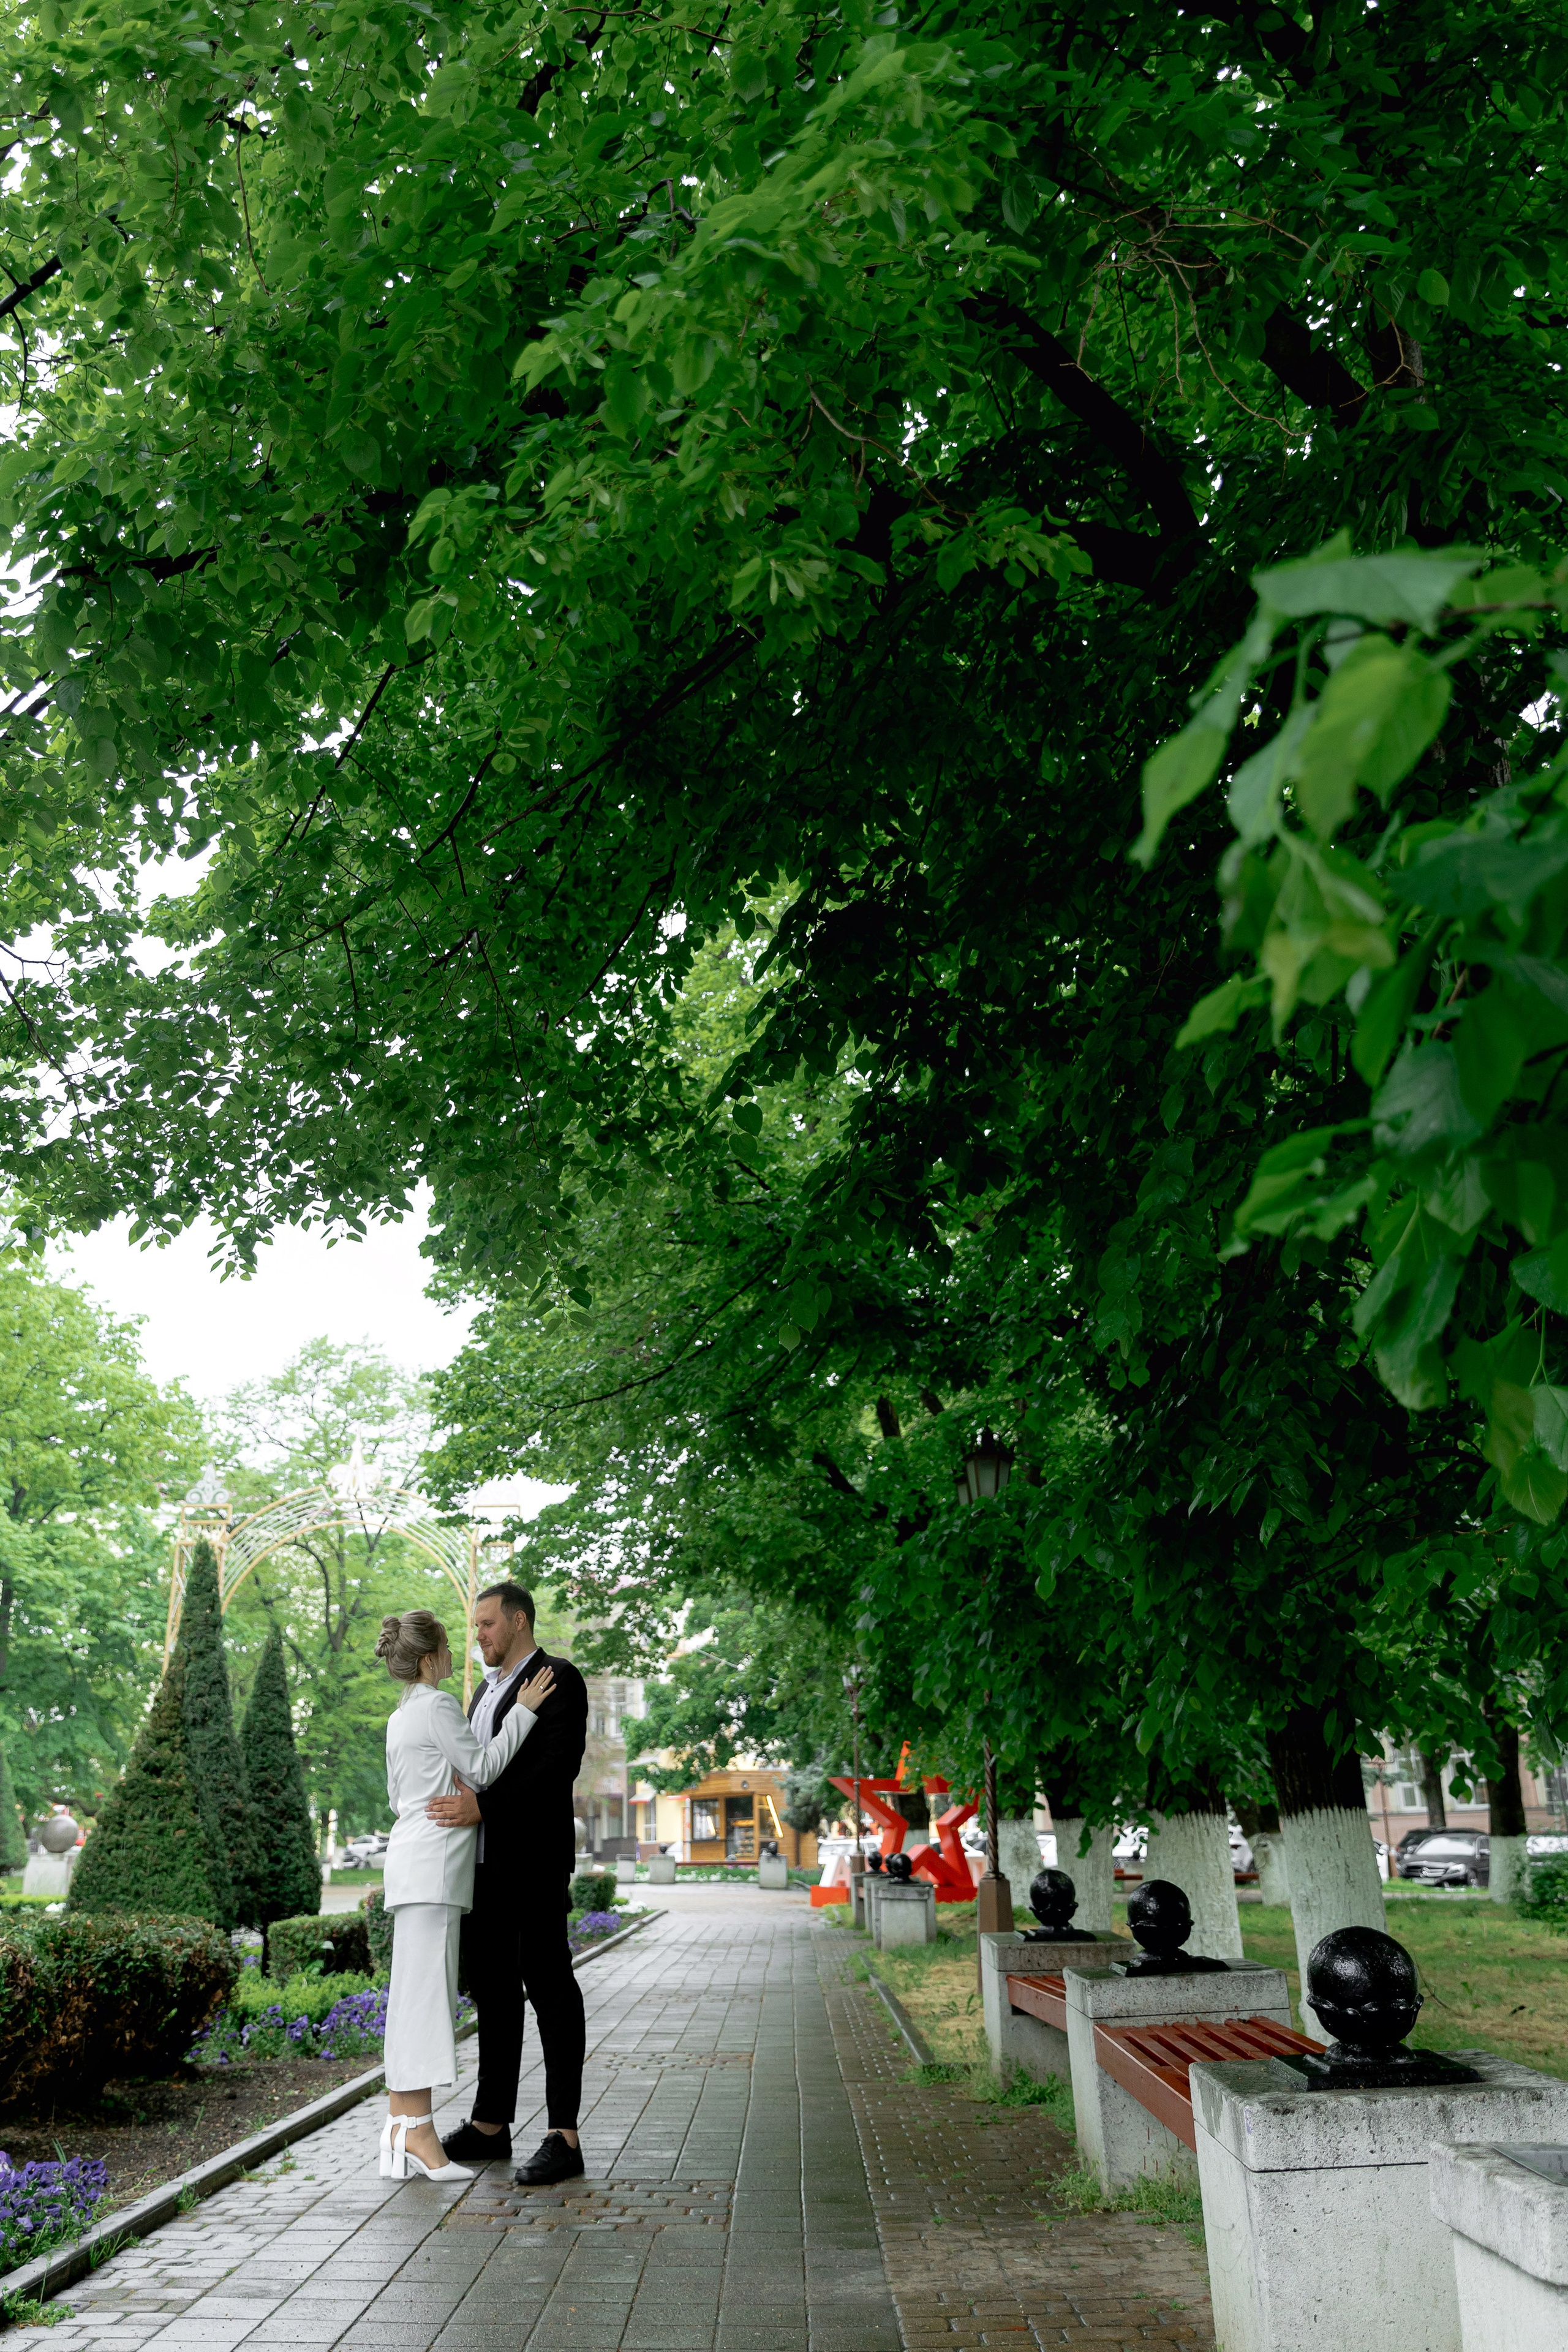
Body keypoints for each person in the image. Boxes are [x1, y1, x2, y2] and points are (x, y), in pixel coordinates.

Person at [376, 1607, 556, 2182]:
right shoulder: (437, 1705)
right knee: (427, 2004)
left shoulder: (401, 1715)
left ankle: (399, 2127)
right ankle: (422, 2136)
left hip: (409, 1865)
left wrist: (447, 1782)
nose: (458, 1654)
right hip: (435, 1870)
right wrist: (523, 1714)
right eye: (450, 1646)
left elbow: (397, 1796)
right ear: (431, 1657)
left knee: (409, 2001)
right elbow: (482, 1767)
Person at [426, 1581, 589, 2185]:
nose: (478, 1635)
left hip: (535, 1865)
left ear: (519, 1621)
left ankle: (563, 2137)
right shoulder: (482, 1692)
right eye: (474, 1626)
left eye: (488, 1623)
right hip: (483, 1868)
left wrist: (484, 1810)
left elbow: (555, 1770)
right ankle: (491, 2125)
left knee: (550, 1987)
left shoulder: (559, 1679)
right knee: (493, 1992)